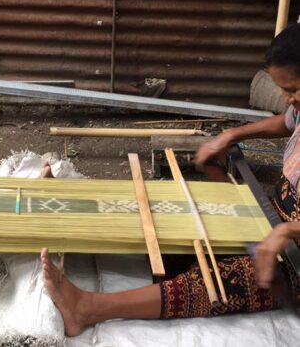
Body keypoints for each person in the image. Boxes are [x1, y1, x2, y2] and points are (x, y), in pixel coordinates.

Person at [40, 23, 300, 336]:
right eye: (282, 90)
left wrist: (286, 230)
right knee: (186, 224)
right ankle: (69, 210)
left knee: (225, 280)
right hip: (278, 213)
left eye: (293, 89)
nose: (287, 99)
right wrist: (232, 134)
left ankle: (87, 309)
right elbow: (287, 122)